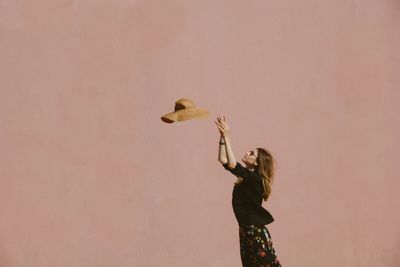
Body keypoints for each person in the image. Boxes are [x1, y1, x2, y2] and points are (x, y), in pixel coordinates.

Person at [215, 115, 282, 267]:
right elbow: (223, 160)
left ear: (257, 163)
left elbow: (232, 163)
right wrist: (221, 138)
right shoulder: (247, 175)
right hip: (246, 230)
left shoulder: (254, 179)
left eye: (251, 153)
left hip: (255, 232)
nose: (247, 153)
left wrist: (227, 135)